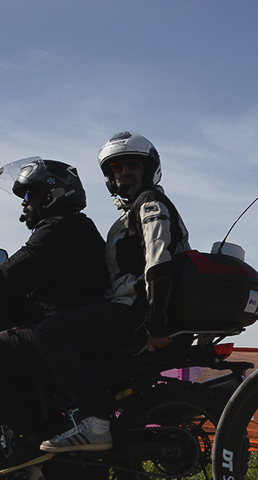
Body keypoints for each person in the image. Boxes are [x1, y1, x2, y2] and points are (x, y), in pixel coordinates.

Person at [35, 131, 191, 452]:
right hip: (136, 310)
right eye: (115, 168)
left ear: (149, 169)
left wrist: (156, 324)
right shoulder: (127, 214)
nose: (124, 173)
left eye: (132, 164)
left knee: (49, 334)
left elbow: (159, 262)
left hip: (137, 312)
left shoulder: (150, 203)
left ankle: (91, 420)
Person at [0, 158, 107, 467]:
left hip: (63, 330)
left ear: (53, 194)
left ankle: (34, 439)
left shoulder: (58, 228)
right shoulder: (72, 226)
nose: (24, 204)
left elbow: (7, 278)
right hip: (72, 326)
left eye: (29, 195)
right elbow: (30, 281)